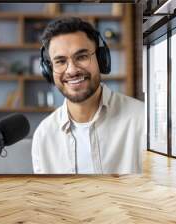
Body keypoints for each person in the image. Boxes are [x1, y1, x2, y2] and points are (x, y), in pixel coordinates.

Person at [32, 17, 145, 174]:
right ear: (48, 70)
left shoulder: (142, 120)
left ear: (101, 59)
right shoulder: (44, 136)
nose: (71, 70)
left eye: (82, 57)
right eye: (60, 61)